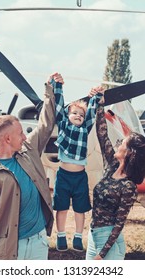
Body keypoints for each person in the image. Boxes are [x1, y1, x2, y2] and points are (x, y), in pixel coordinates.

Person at [0, 73, 62, 260]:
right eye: (21, 133)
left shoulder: (28, 151)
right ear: (8, 139)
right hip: (10, 248)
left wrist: (50, 92)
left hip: (39, 241)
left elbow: (45, 125)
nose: (25, 137)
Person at [85, 85, 145, 260]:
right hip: (93, 236)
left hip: (109, 244)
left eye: (123, 142)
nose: (118, 143)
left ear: (129, 152)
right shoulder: (113, 166)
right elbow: (102, 135)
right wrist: (99, 104)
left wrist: (102, 253)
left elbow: (119, 224)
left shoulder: (129, 186)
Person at [51, 78, 101, 252]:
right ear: (67, 115)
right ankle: (61, 235)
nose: (79, 116)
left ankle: (79, 236)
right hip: (64, 175)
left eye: (81, 115)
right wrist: (58, 86)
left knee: (81, 209)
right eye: (75, 114)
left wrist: (95, 95)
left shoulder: (85, 128)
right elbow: (58, 106)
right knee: (62, 207)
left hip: (80, 177)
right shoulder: (63, 125)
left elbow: (92, 113)